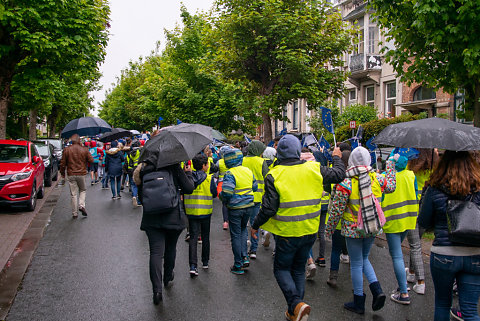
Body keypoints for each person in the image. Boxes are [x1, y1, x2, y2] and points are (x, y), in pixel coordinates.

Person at [251, 135, 345, 321]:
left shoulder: (274, 174)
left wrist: (255, 225)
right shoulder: (313, 168)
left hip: (287, 233)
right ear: (297, 151)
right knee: (299, 270)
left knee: (281, 269)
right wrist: (336, 157)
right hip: (309, 231)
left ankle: (295, 305)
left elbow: (268, 208)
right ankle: (296, 311)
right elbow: (339, 174)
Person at [326, 146, 397, 315]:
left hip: (352, 229)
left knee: (357, 263)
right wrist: (391, 165)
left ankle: (359, 300)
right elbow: (392, 185)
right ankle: (377, 290)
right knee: (364, 259)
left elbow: (337, 209)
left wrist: (329, 229)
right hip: (372, 227)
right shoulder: (377, 178)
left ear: (350, 162)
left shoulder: (346, 183)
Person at [418, 150, 480, 321]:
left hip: (444, 254)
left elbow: (423, 222)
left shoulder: (435, 188)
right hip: (475, 253)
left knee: (442, 304)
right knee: (470, 311)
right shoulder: (478, 187)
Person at [133, 154, 194, 305]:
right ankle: (168, 276)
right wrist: (188, 173)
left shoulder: (143, 169)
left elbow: (141, 196)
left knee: (155, 252)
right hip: (172, 214)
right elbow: (189, 188)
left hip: (151, 217)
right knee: (171, 247)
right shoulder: (173, 166)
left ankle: (157, 291)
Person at [381, 155, 418, 305]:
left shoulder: (385, 177)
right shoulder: (411, 175)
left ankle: (403, 293)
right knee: (398, 254)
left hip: (392, 219)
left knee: (396, 255)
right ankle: (402, 285)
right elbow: (415, 194)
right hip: (408, 218)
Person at [405, 148, 439, 295]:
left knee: (415, 244)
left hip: (413, 207)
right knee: (416, 241)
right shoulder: (434, 169)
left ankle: (421, 281)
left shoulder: (411, 167)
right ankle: (411, 272)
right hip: (427, 208)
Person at [219, 148, 257, 275]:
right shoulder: (247, 170)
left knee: (235, 234)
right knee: (243, 231)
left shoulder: (230, 173)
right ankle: (244, 256)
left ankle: (238, 264)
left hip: (235, 208)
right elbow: (255, 186)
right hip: (249, 206)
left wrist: (221, 196)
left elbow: (228, 193)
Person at [184, 154, 218, 276]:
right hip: (205, 213)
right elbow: (214, 194)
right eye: (207, 164)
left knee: (193, 238)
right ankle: (205, 262)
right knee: (205, 237)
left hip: (192, 212)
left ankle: (193, 266)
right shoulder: (209, 179)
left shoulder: (188, 178)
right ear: (204, 166)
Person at [326, 149, 351, 287]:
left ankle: (333, 276)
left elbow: (335, 202)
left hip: (339, 221)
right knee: (356, 252)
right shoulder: (360, 177)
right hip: (354, 221)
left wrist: (329, 226)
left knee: (336, 248)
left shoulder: (338, 178)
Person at [242, 140, 268, 259]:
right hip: (257, 197)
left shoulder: (242, 160)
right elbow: (267, 178)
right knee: (254, 224)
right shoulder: (261, 162)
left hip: (243, 196)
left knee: (243, 226)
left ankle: (243, 251)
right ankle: (253, 250)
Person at [59, 134, 94, 218]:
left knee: (73, 194)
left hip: (71, 173)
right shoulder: (84, 149)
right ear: (79, 140)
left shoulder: (67, 150)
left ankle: (74, 213)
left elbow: (63, 163)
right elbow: (91, 160)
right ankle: (81, 205)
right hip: (81, 173)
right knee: (82, 190)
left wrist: (62, 173)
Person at [125, 140, 142, 207]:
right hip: (139, 168)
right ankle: (139, 201)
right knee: (139, 185)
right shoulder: (140, 151)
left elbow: (129, 162)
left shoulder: (130, 153)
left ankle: (134, 195)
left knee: (133, 184)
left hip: (131, 170)